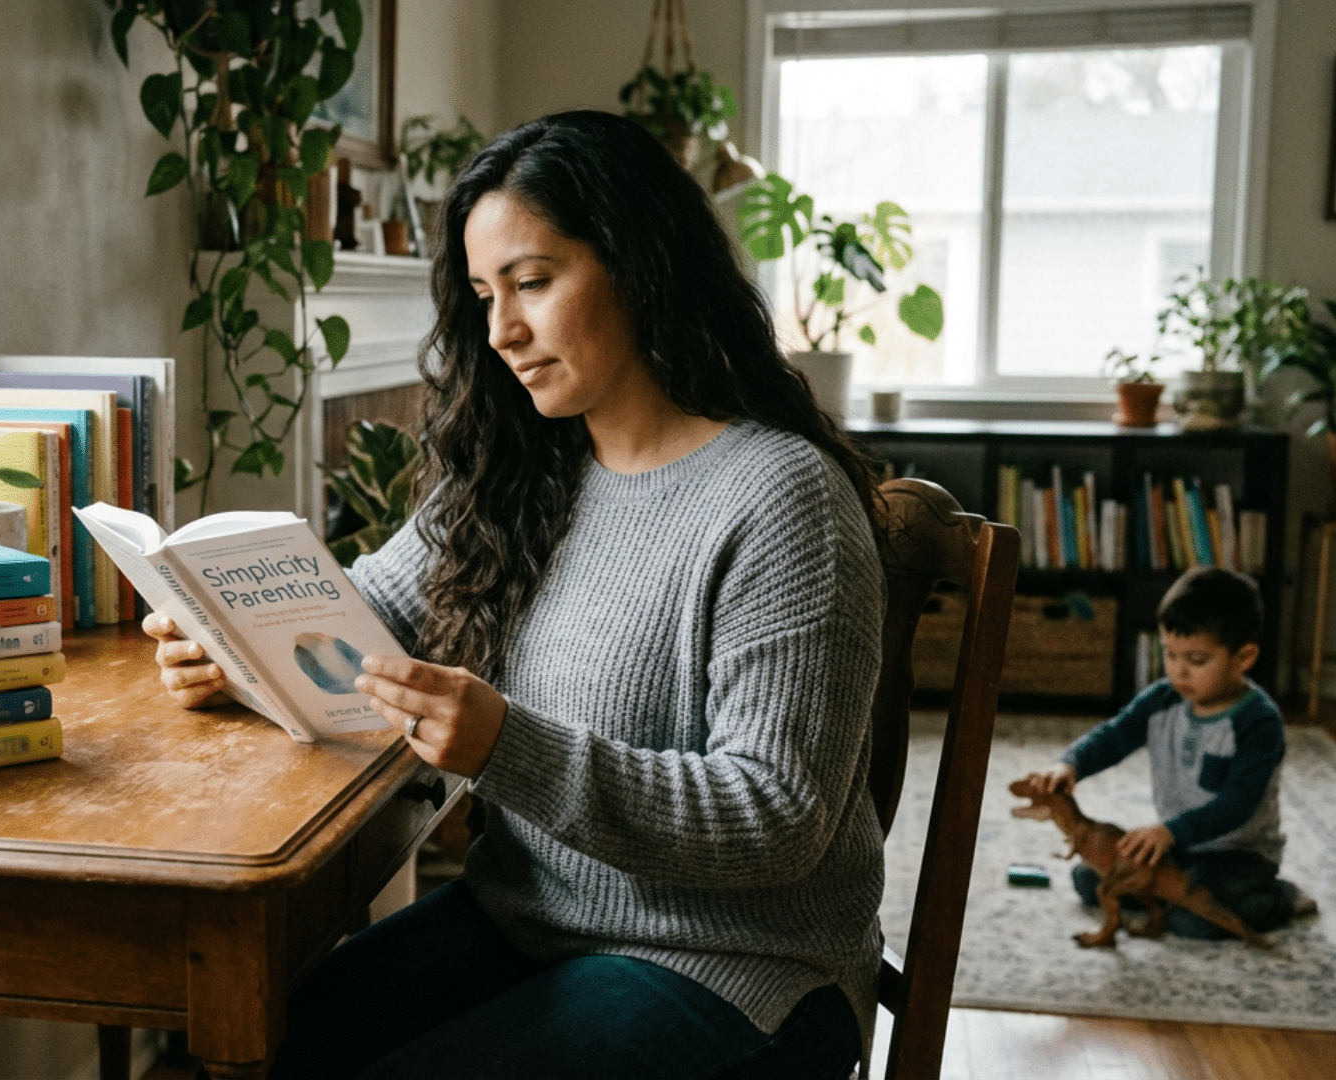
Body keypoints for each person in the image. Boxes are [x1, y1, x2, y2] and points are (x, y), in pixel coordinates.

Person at [147, 109, 886, 1079]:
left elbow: (778, 816)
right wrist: (231, 645)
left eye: (534, 283)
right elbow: (363, 620)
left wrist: (508, 746)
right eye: (486, 294)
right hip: (525, 920)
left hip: (738, 969)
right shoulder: (522, 469)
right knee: (254, 1044)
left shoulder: (780, 500)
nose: (502, 331)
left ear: (640, 263)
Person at [1021, 565, 1314, 939]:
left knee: (1192, 920)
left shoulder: (1258, 723)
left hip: (1239, 856)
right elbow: (1115, 735)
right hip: (1178, 845)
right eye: (1170, 654)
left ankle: (1281, 897)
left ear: (1244, 657)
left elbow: (1236, 805)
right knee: (1089, 879)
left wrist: (1169, 832)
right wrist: (1070, 764)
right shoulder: (1162, 699)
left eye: (1197, 661)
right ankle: (1167, 897)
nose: (1179, 671)